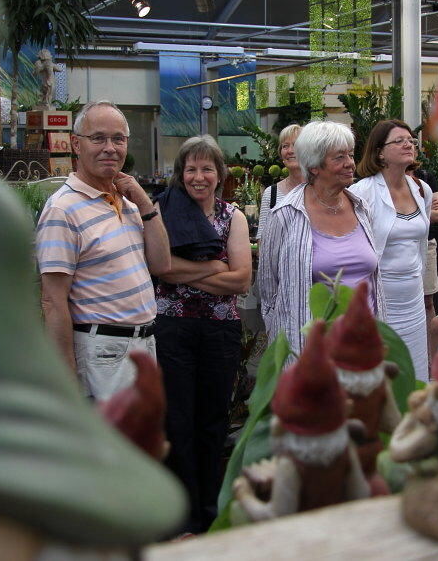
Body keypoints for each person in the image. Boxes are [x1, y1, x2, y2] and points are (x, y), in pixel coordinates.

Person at [37, 100, 171, 401]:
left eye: (118, 139)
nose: (110, 148)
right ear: (76, 144)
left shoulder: (128, 202)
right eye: (98, 138)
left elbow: (162, 265)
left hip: (143, 344)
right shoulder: (63, 209)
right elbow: (53, 301)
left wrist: (145, 203)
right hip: (104, 352)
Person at [153, 134, 251, 534]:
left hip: (219, 332)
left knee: (212, 421)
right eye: (191, 169)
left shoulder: (234, 217)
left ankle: (209, 513)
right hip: (172, 329)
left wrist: (188, 272)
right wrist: (214, 267)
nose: (199, 177)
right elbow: (161, 268)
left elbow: (242, 279)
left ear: (219, 174)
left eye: (207, 168)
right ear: (180, 174)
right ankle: (181, 515)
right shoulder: (162, 212)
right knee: (177, 421)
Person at [258, 120, 384, 356]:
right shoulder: (286, 214)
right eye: (339, 157)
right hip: (312, 353)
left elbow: (374, 281)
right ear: (314, 166)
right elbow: (268, 287)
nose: (350, 164)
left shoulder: (360, 208)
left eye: (350, 154)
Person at [350, 120, 433, 381]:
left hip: (413, 298)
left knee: (413, 370)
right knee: (381, 374)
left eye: (411, 140)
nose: (408, 144)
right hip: (379, 299)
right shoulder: (361, 193)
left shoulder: (422, 189)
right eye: (399, 141)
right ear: (379, 152)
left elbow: (421, 242)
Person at [409, 165, 438, 360]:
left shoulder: (425, 177)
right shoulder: (378, 182)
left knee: (427, 301)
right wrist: (420, 214)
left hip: (426, 243)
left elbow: (437, 215)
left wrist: (403, 216)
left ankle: (431, 359)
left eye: (411, 141)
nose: (409, 146)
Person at [258, 123, 304, 237]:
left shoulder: (320, 190)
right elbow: (263, 239)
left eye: (295, 145)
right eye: (285, 146)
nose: (290, 150)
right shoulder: (271, 193)